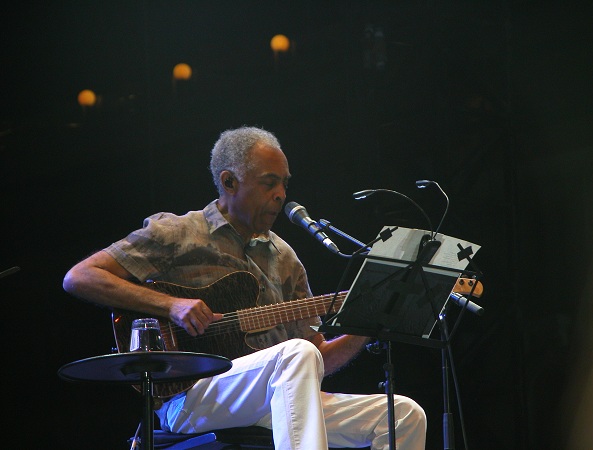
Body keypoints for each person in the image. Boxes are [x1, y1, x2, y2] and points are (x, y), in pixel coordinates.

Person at [62, 126, 426, 450]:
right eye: (269, 183)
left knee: (404, 414)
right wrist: (171, 306)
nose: (281, 194)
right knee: (294, 353)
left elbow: (318, 360)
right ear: (229, 181)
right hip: (190, 395)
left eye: (285, 183)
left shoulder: (285, 257)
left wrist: (364, 324)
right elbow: (81, 276)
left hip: (276, 399)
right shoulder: (177, 234)